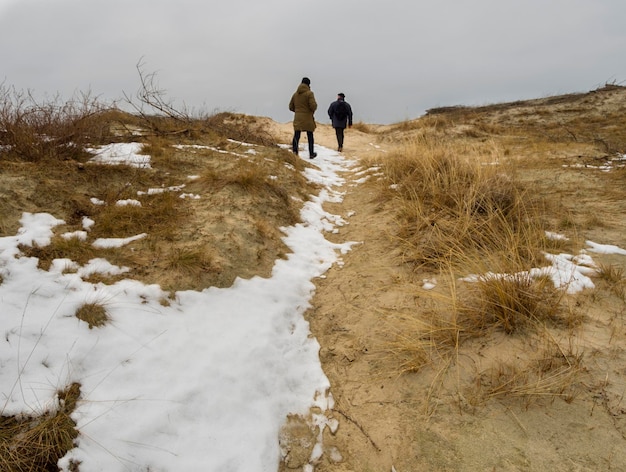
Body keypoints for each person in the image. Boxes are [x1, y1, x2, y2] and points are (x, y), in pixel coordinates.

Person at [289, 77, 318, 159]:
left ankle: (295, 152)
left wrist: (298, 111)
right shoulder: (309, 93)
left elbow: (290, 107)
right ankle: (311, 153)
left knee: (296, 135)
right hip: (308, 117)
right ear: (308, 84)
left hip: (297, 117)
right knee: (310, 135)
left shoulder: (295, 94)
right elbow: (313, 106)